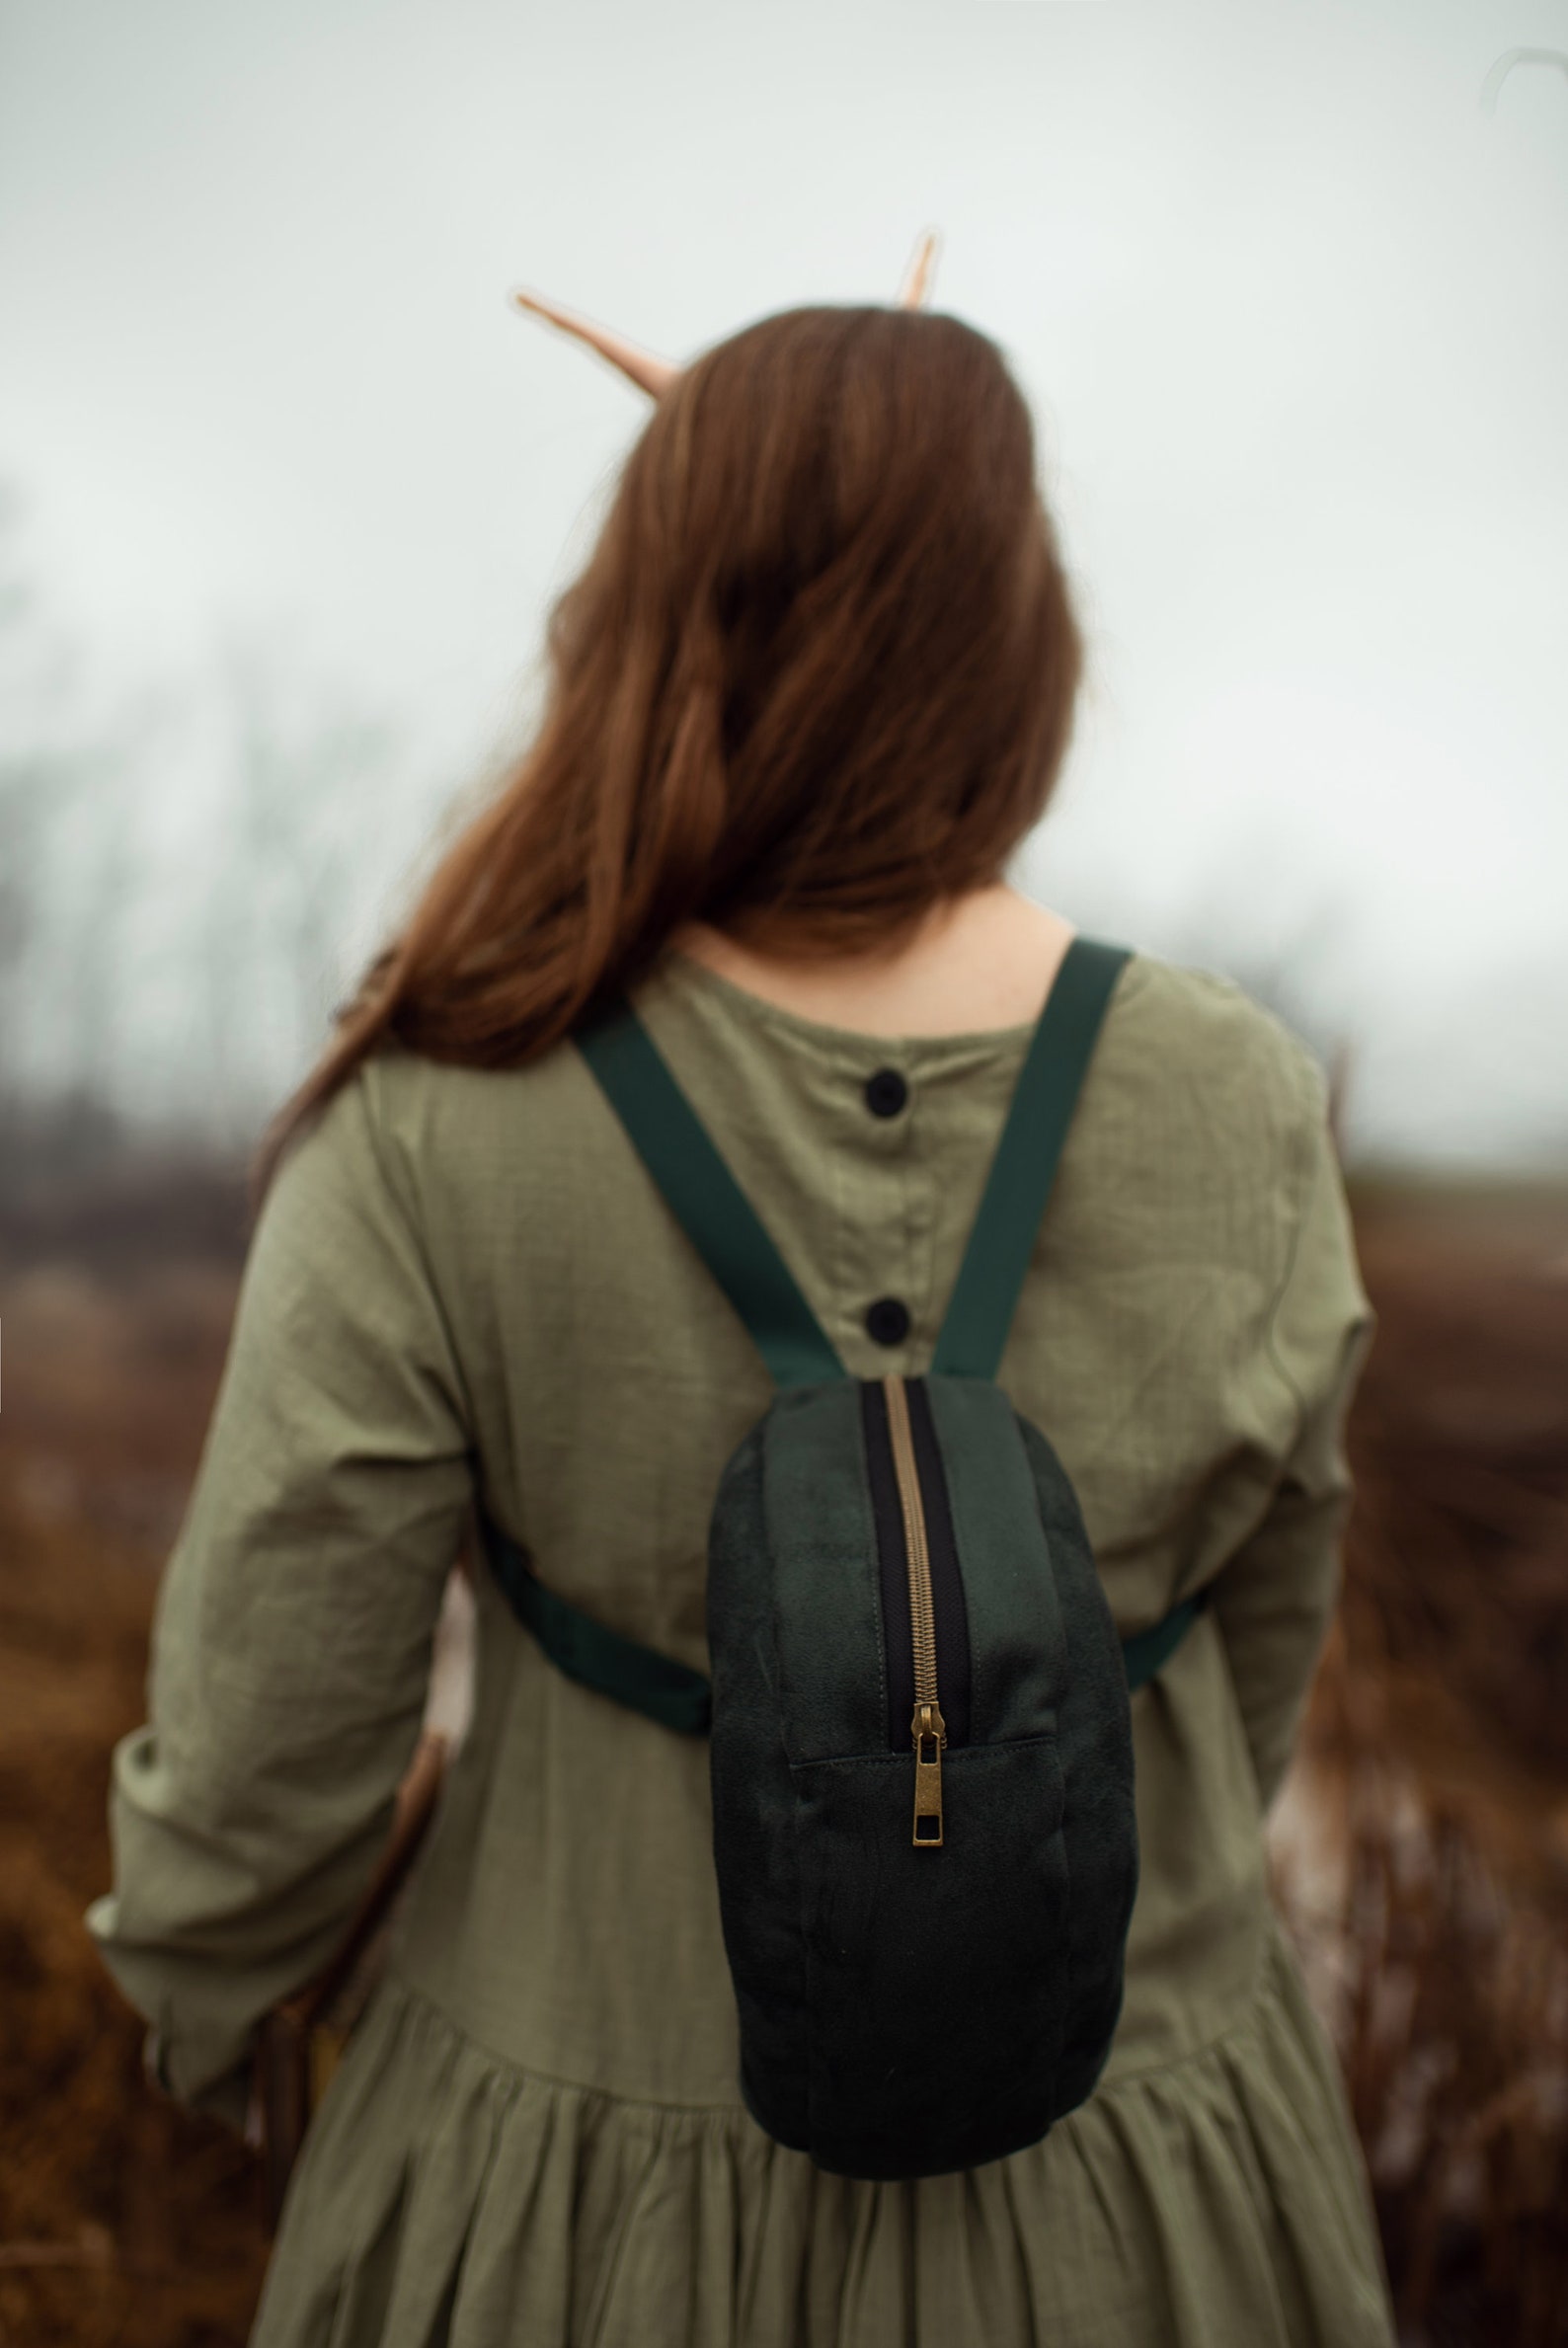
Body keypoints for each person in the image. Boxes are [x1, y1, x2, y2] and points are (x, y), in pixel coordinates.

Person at [88, 269, 1396, 2346]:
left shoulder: (445, 1095)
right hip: (1142, 2199)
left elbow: (271, 1756)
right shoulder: (1237, 1092)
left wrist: (198, 2005)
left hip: (557, 2213)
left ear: (633, 629)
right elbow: (1249, 1680)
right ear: (1021, 645)